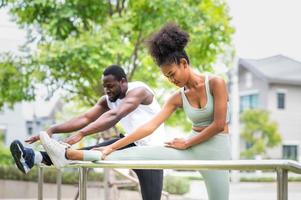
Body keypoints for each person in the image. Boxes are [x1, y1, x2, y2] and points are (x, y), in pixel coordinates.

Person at [40, 23, 231, 200]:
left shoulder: (215, 83)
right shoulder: (177, 97)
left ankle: (72, 154)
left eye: (172, 74)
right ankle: (68, 155)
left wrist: (187, 142)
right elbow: (149, 127)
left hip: (214, 150)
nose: (171, 80)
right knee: (139, 153)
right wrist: (113, 146)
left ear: (184, 63)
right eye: (166, 77)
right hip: (190, 148)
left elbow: (218, 124)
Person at [10, 65, 165, 200]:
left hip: (150, 151)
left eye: (110, 86)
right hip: (129, 142)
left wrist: (81, 134)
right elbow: (85, 118)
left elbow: (115, 115)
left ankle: (39, 156)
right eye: (104, 86)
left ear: (123, 81)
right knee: (82, 152)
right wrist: (51, 129)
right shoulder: (107, 99)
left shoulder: (139, 91)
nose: (107, 90)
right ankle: (32, 157)